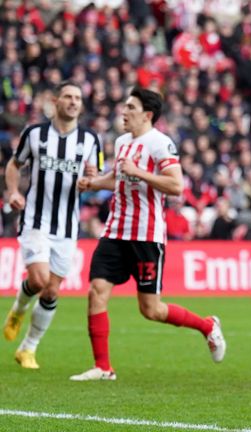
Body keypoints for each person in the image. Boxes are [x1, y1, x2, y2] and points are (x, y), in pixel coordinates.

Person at [70, 88, 226, 381]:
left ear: (147, 115)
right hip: (115, 231)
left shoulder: (160, 144)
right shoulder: (121, 142)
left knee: (151, 310)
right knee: (96, 292)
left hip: (147, 236)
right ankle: (103, 367)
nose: (124, 111)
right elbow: (118, 178)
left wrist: (139, 173)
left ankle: (207, 326)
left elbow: (176, 186)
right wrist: (92, 184)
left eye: (130, 107)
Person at [3, 81, 101, 369]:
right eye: (68, 97)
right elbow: (13, 165)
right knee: (38, 280)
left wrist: (90, 182)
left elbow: (93, 180)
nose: (73, 102)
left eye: (78, 98)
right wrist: (13, 192)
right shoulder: (35, 134)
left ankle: (27, 348)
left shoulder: (90, 140)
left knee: (52, 291)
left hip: (67, 227)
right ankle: (18, 310)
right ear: (56, 100)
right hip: (35, 219)